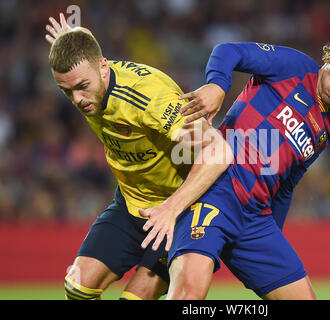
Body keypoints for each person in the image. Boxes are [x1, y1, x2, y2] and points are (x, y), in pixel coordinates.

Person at [141, 25, 330, 299]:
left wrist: (273, 240)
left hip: (255, 220)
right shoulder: (294, 66)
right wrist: (217, 85)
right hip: (215, 193)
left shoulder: (326, 128)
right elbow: (228, 51)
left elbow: (285, 187)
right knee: (188, 297)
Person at [45, 14, 232, 300]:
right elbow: (85, 47)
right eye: (66, 91)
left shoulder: (149, 100)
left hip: (178, 210)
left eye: (82, 86)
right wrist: (71, 36)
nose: (78, 99)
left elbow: (219, 152)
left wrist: (171, 208)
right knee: (77, 289)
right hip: (131, 203)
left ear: (103, 67)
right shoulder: (88, 72)